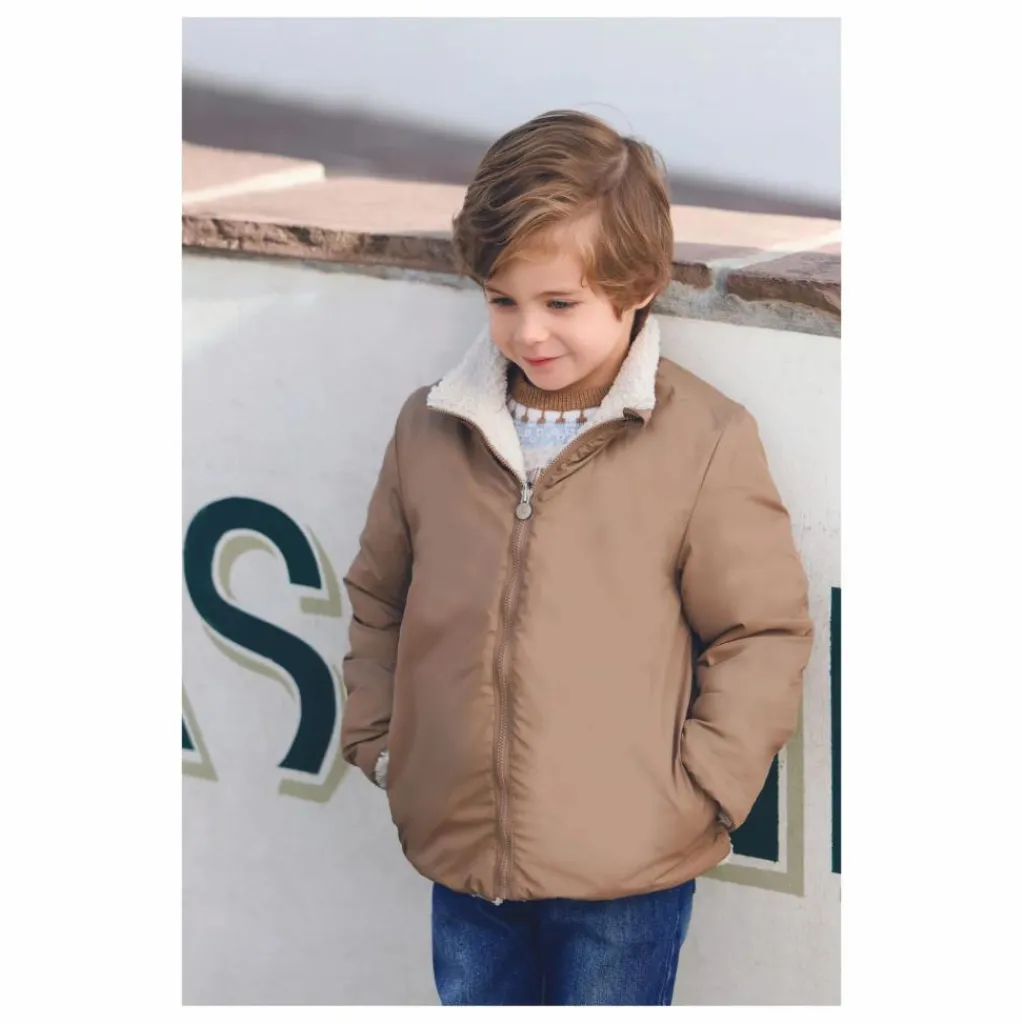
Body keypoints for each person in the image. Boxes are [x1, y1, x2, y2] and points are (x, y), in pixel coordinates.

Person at [340, 109, 813, 1006]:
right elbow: (379, 597)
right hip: (464, 861)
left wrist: (704, 790)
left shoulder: (704, 440)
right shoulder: (430, 427)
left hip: (626, 878)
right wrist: (384, 743)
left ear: (638, 287)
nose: (528, 333)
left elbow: (760, 631)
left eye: (561, 303)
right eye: (502, 300)